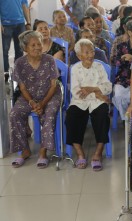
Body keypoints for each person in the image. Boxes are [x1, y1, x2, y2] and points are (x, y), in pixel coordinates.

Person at [10, 30, 62, 169]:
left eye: (38, 44)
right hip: (29, 97)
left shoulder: (49, 60)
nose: (37, 47)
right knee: (15, 114)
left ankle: (43, 152)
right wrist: (33, 102)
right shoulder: (19, 63)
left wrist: (42, 103)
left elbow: (53, 85)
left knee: (49, 113)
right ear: (25, 48)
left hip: (50, 95)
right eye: (33, 45)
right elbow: (22, 87)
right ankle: (24, 150)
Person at [65, 39, 112, 171]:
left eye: (92, 50)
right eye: (87, 52)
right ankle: (80, 153)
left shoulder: (100, 67)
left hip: (97, 102)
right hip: (80, 102)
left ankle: (98, 153)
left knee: (103, 115)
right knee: (71, 116)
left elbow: (108, 87)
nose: (91, 54)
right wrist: (98, 93)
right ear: (79, 56)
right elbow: (77, 92)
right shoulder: (75, 68)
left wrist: (91, 89)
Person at [0, 0, 31, 77]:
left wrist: (28, 22)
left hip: (20, 24)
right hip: (6, 24)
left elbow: (24, 6)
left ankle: (19, 73)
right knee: (4, 51)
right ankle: (6, 75)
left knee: (20, 50)